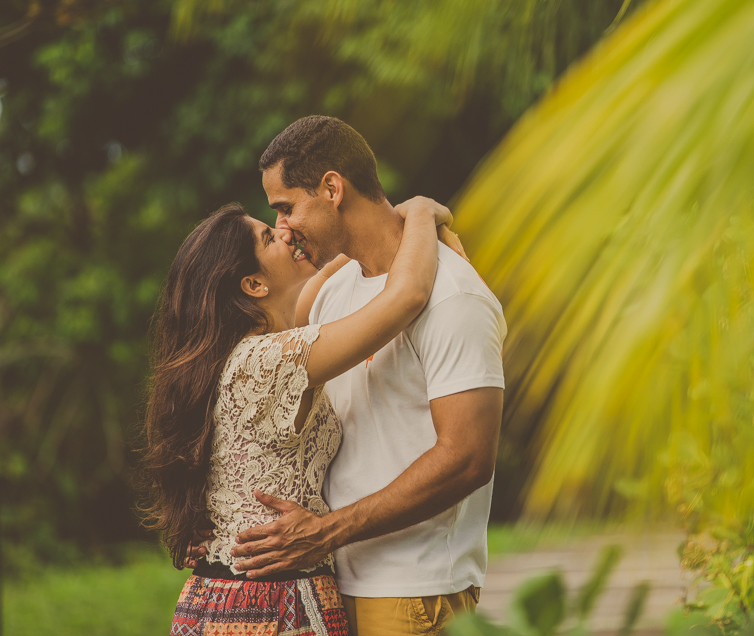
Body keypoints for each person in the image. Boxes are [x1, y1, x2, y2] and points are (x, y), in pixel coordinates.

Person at [222, 116, 507, 636]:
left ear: (332, 189)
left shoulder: (453, 296)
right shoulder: (333, 291)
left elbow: (467, 458)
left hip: (413, 590)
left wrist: (327, 532)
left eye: (286, 208)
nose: (282, 228)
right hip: (329, 589)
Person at [141, 196, 454, 636]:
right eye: (269, 237)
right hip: (272, 602)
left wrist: (383, 220)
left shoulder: (246, 353)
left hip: (234, 593)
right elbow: (406, 296)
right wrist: (423, 211)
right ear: (254, 285)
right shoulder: (270, 361)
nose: (285, 232)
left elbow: (344, 257)